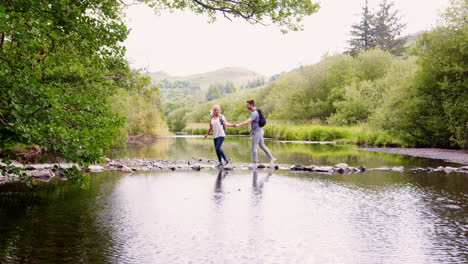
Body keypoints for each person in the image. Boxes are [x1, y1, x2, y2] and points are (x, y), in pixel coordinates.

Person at [232, 100, 276, 166]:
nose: (246, 106)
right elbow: (255, 122)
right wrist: (252, 129)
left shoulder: (254, 113)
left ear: (251, 105)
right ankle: (272, 158)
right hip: (260, 131)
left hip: (257, 132)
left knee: (254, 147)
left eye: (247, 105)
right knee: (262, 145)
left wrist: (238, 124)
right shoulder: (256, 111)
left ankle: (255, 163)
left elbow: (248, 121)